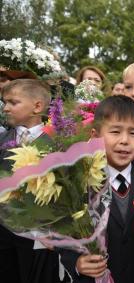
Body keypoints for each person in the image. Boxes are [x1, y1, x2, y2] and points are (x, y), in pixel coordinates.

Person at [60, 95, 134, 283]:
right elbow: (62, 237)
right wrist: (76, 262)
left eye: (133, 133)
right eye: (115, 132)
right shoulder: (77, 183)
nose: (124, 140)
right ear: (95, 135)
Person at [0, 79, 61, 283]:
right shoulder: (1, 141)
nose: (6, 107)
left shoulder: (59, 145)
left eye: (13, 102)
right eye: (4, 102)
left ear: (37, 106)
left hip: (42, 241)